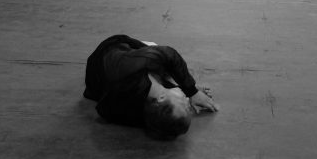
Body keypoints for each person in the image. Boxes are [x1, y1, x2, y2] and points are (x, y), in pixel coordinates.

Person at [84, 34, 218, 139]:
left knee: (157, 53)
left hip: (109, 51)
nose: (187, 101)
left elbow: (169, 54)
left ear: (161, 98)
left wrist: (191, 91)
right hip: (107, 74)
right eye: (188, 107)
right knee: (164, 68)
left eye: (183, 105)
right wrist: (190, 90)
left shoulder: (134, 70)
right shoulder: (152, 112)